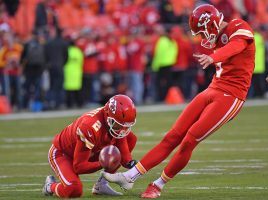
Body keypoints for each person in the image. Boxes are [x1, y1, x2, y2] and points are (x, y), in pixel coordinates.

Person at [101, 4, 255, 199]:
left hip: (232, 95)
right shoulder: (216, 34)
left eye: (202, 31)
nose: (201, 37)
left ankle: (157, 185)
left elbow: (237, 46)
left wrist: (213, 56)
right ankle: (130, 176)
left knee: (190, 139)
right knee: (172, 136)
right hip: (214, 88)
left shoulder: (238, 26)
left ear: (211, 24)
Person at [42, 94, 138, 198]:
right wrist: (103, 163)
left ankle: (102, 185)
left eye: (125, 126)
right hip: (63, 153)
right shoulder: (90, 127)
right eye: (119, 125)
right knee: (74, 189)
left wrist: (130, 163)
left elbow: (122, 144)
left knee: (131, 138)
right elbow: (79, 166)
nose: (122, 129)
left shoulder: (111, 118)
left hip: (88, 149)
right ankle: (50, 186)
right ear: (108, 117)